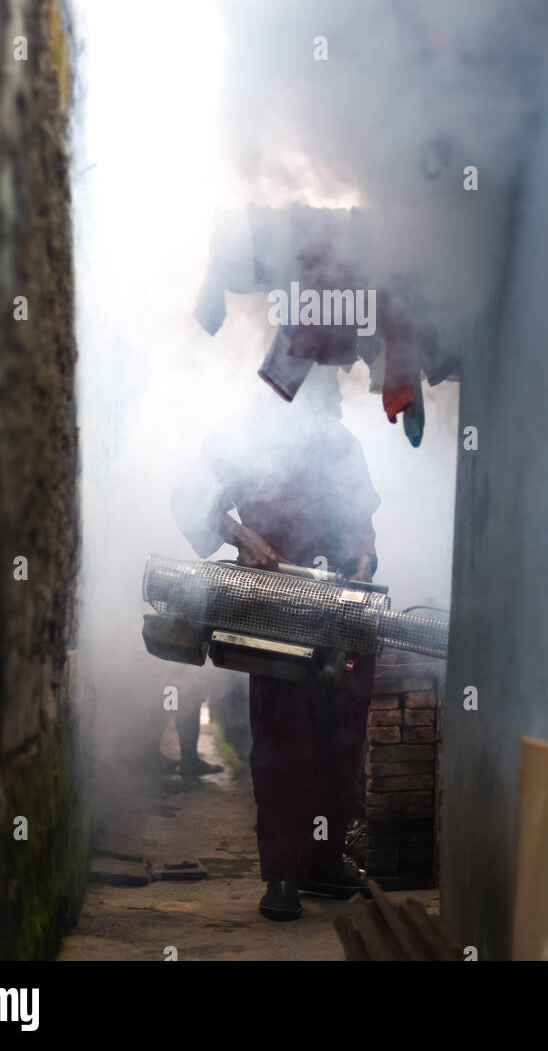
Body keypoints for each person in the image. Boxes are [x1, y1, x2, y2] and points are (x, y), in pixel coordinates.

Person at [172, 367, 380, 921]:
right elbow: (189, 500)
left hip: (341, 605)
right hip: (274, 604)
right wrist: (242, 537)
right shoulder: (244, 439)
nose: (327, 405)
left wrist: (365, 557)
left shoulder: (341, 444)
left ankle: (323, 862)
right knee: (283, 740)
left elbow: (363, 523)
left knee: (340, 735)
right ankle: (283, 875)